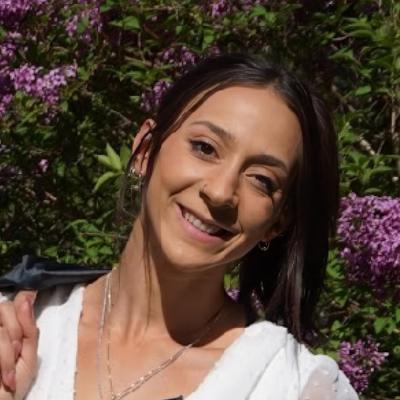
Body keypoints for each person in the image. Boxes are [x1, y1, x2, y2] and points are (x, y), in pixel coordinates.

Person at [0, 53, 359, 400]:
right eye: (205, 148)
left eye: (262, 180)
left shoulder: (295, 388)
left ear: (277, 222)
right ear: (145, 150)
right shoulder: (19, 320)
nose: (221, 192)